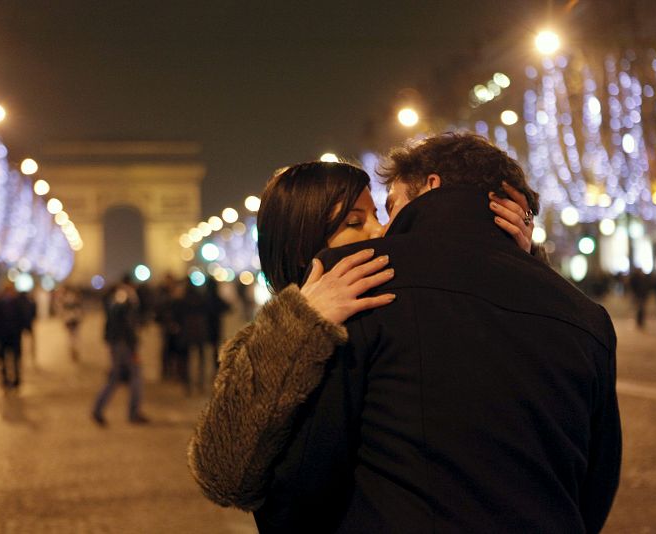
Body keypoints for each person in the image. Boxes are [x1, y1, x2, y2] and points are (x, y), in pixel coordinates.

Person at [191, 134, 621, 533]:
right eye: (355, 222)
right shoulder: (583, 314)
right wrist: (520, 267)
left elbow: (298, 490)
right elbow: (593, 486)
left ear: (431, 186)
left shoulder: (373, 294)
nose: (383, 232)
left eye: (386, 209)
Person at [92, 277, 149, 425]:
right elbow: (125, 322)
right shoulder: (124, 297)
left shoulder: (118, 296)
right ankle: (132, 412)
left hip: (119, 343)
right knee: (133, 376)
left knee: (116, 377)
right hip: (124, 344)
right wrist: (133, 343)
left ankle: (99, 409)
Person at [60, 286, 83, 361]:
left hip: (70, 319)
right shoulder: (75, 299)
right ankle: (73, 350)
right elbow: (79, 310)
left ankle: (73, 350)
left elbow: (63, 311)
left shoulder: (65, 299)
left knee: (71, 336)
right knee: (74, 336)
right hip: (73, 319)